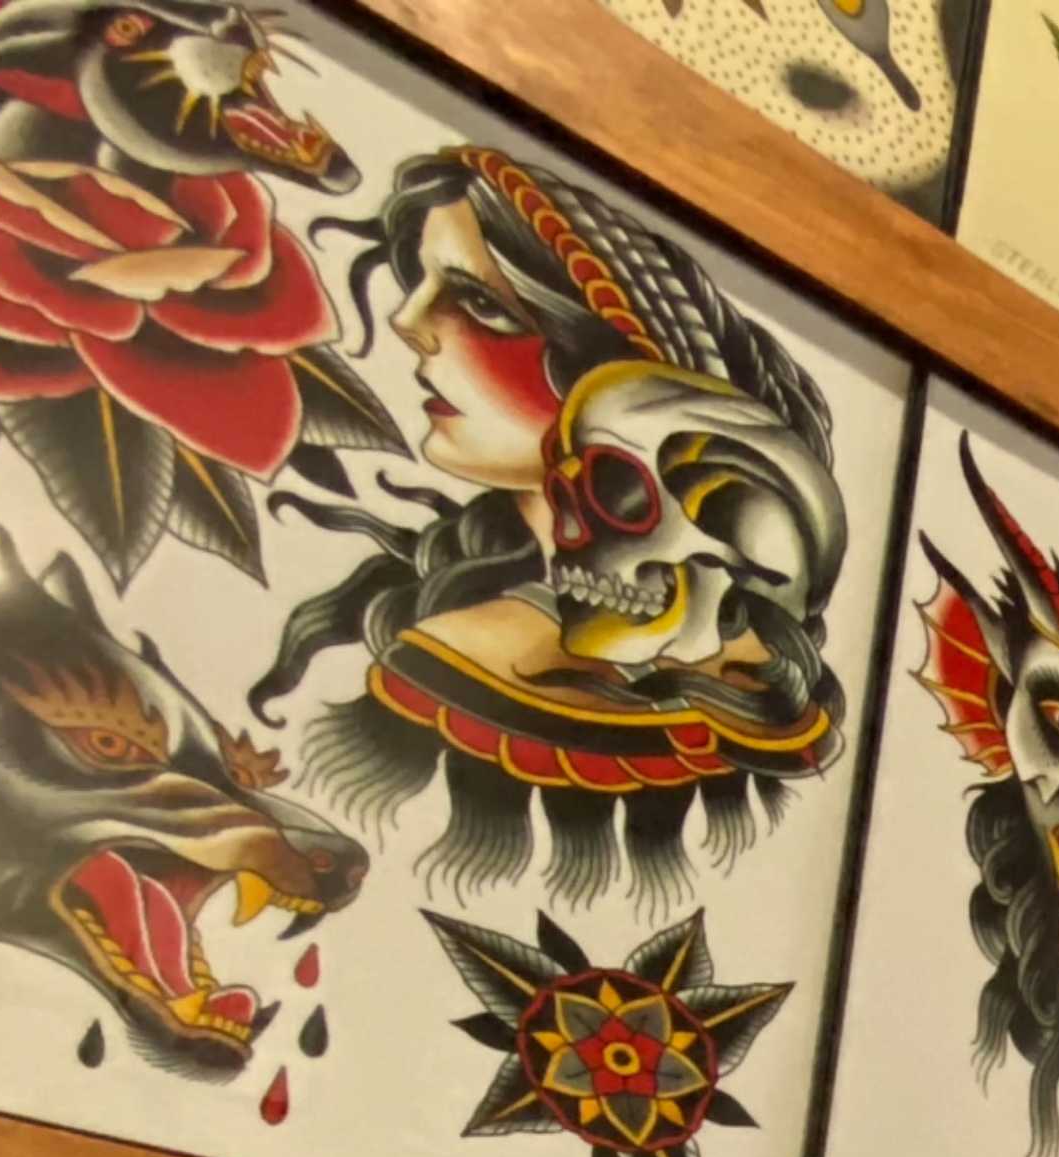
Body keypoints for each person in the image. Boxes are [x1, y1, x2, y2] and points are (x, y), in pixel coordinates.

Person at [254, 145, 848, 899]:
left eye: (479, 305)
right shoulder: (449, 620)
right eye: (420, 283)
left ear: (625, 368)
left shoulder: (737, 654)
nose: (407, 320)